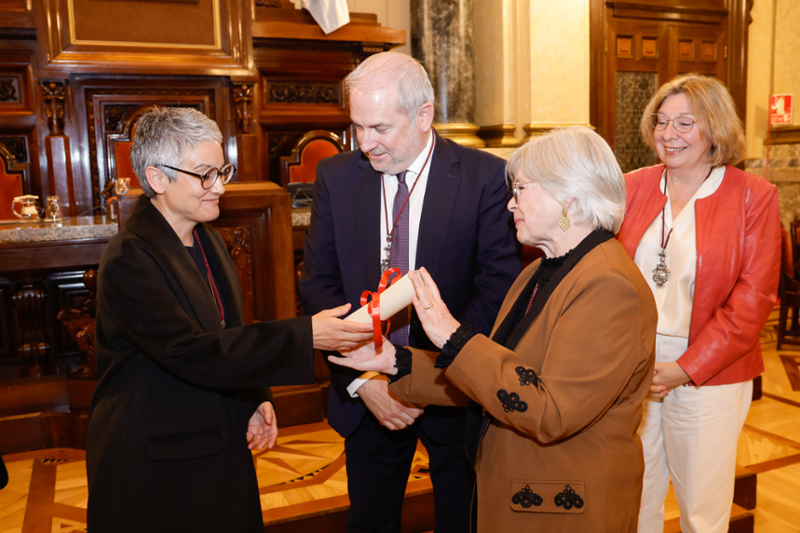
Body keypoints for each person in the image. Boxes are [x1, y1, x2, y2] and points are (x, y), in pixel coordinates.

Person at [330, 127, 658, 532]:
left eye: (521, 189)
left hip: (567, 505)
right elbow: (499, 378)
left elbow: (551, 410)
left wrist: (453, 336)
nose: (510, 204)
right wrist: (394, 361)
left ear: (568, 196)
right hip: (523, 489)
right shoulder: (539, 270)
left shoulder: (608, 285)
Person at [86, 106, 372, 533]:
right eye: (205, 174)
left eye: (223, 171)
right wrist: (306, 334)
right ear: (157, 178)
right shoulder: (130, 257)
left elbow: (229, 331)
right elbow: (189, 351)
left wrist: (254, 397)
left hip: (213, 439)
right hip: (154, 456)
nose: (219, 187)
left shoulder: (209, 240)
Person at [299, 51, 521, 532]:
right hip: (368, 396)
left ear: (423, 116)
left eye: (379, 128)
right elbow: (319, 286)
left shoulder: (485, 178)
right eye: (357, 127)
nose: (366, 143)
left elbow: (495, 293)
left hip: (453, 393)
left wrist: (426, 378)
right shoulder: (337, 177)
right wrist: (367, 383)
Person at [617, 74, 781, 533]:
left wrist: (684, 368)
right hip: (635, 364)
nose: (669, 134)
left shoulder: (753, 196)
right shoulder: (632, 187)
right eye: (661, 122)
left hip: (711, 372)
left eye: (685, 123)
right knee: (634, 494)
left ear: (715, 128)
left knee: (702, 511)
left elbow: (753, 299)